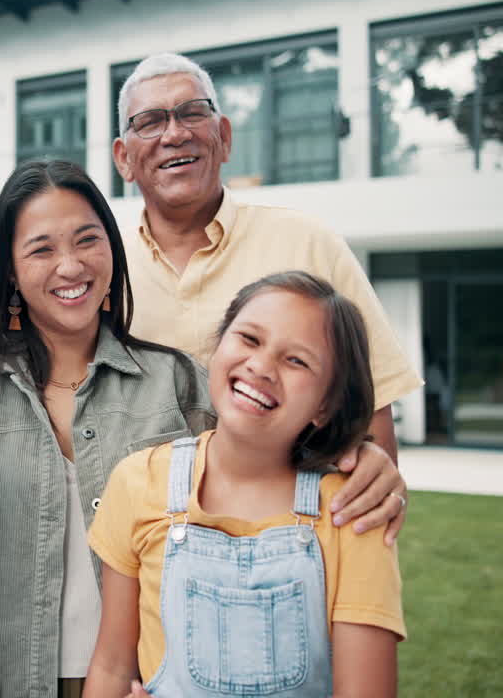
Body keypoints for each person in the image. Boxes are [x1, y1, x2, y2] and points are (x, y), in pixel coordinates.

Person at [0, 162, 398, 698]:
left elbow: (268, 460)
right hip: (0, 681)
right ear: (8, 270)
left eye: (87, 239)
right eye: (40, 249)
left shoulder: (178, 381)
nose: (70, 265)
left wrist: (362, 457)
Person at [112, 53, 420, 503]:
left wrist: (366, 509)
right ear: (123, 159)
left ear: (224, 137)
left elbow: (371, 406)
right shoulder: (104, 271)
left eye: (192, 113)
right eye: (150, 122)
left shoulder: (308, 243)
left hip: (290, 527)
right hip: (145, 531)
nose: (174, 134)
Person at [84, 272, 404, 698]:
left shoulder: (354, 512)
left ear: (326, 405)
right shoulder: (137, 481)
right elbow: (111, 667)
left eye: (297, 361)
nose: (261, 367)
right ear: (218, 346)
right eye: (249, 339)